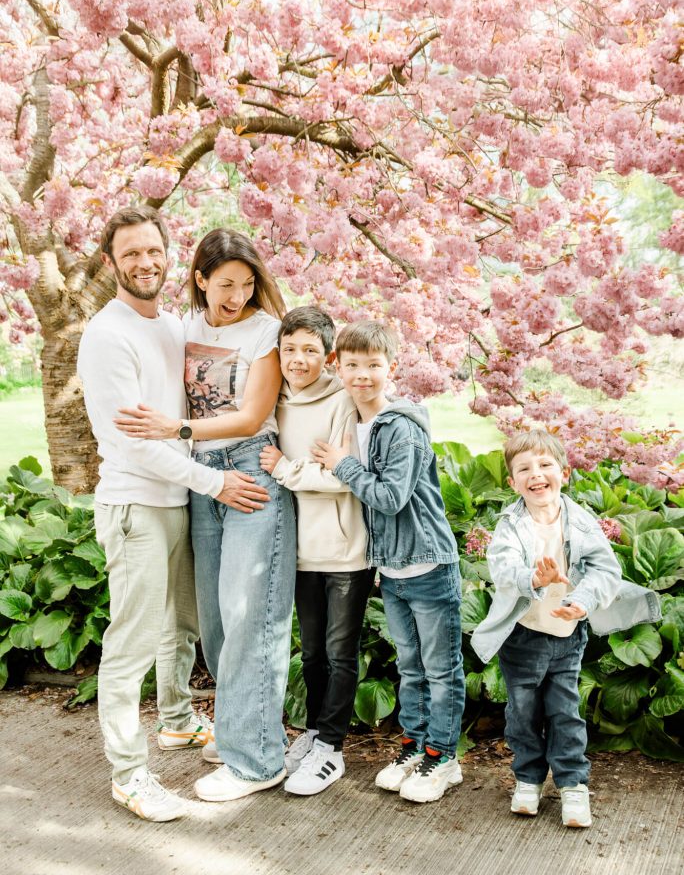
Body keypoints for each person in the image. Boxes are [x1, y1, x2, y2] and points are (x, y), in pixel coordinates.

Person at [77, 207, 269, 823]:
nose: (143, 263)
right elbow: (133, 442)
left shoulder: (168, 325)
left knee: (180, 627)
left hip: (177, 498)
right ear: (111, 262)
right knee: (131, 643)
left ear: (169, 256)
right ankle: (130, 775)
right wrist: (214, 482)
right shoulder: (107, 335)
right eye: (130, 254)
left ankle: (180, 722)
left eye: (152, 251)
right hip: (137, 503)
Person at [114, 228, 297, 803]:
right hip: (203, 481)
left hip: (249, 474)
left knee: (251, 616)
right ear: (199, 279)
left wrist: (177, 429)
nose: (237, 295)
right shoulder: (185, 327)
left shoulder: (265, 332)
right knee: (218, 621)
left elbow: (250, 416)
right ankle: (244, 730)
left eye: (247, 284)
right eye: (225, 284)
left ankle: (257, 760)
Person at [471, 430, 662, 828]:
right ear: (512, 482)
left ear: (565, 473)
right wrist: (534, 579)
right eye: (524, 469)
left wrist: (583, 600)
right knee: (522, 713)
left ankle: (573, 784)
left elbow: (605, 569)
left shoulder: (580, 521)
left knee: (565, 713)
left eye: (545, 465)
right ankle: (528, 778)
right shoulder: (510, 525)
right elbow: (502, 569)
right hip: (522, 636)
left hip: (567, 636)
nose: (536, 474)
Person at [312, 321, 466, 804]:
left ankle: (443, 757)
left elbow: (392, 497)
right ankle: (415, 747)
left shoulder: (399, 427)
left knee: (441, 670)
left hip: (427, 566)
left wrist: (344, 464)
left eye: (373, 365)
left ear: (391, 368)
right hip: (395, 571)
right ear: (338, 367)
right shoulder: (353, 422)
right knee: (411, 667)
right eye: (352, 365)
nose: (362, 375)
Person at [258, 306, 373, 796]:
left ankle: (332, 747)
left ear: (327, 356)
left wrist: (287, 468)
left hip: (346, 551)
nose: (298, 360)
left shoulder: (342, 403)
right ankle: (312, 734)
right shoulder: (273, 400)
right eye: (289, 350)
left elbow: (345, 479)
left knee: (340, 652)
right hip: (299, 551)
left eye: (309, 350)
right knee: (312, 655)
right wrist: (305, 468)